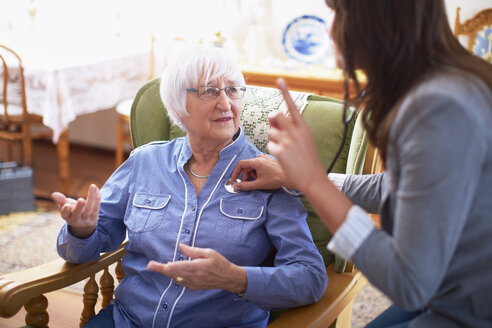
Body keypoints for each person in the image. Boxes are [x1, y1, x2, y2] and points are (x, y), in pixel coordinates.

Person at [231, 1, 492, 327]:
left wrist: (313, 180)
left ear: (377, 20)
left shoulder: (437, 111)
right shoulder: (450, 82)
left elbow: (408, 283)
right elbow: (400, 185)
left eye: (339, 13)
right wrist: (295, 177)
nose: (330, 28)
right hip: (448, 287)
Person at [52, 44, 328, 328]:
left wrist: (235, 277)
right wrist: (81, 230)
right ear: (179, 104)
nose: (225, 103)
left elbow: (310, 278)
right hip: (128, 320)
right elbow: (78, 253)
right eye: (209, 91)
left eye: (233, 90)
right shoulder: (145, 162)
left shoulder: (269, 176)